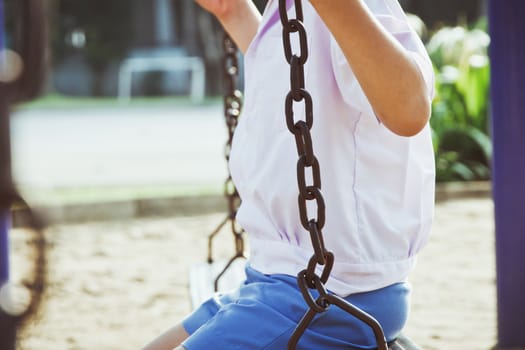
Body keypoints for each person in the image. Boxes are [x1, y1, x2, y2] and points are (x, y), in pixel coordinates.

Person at [142, 0, 435, 349]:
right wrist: (232, 11)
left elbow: (410, 107)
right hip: (272, 281)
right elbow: (292, 79)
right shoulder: (289, 12)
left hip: (332, 299)